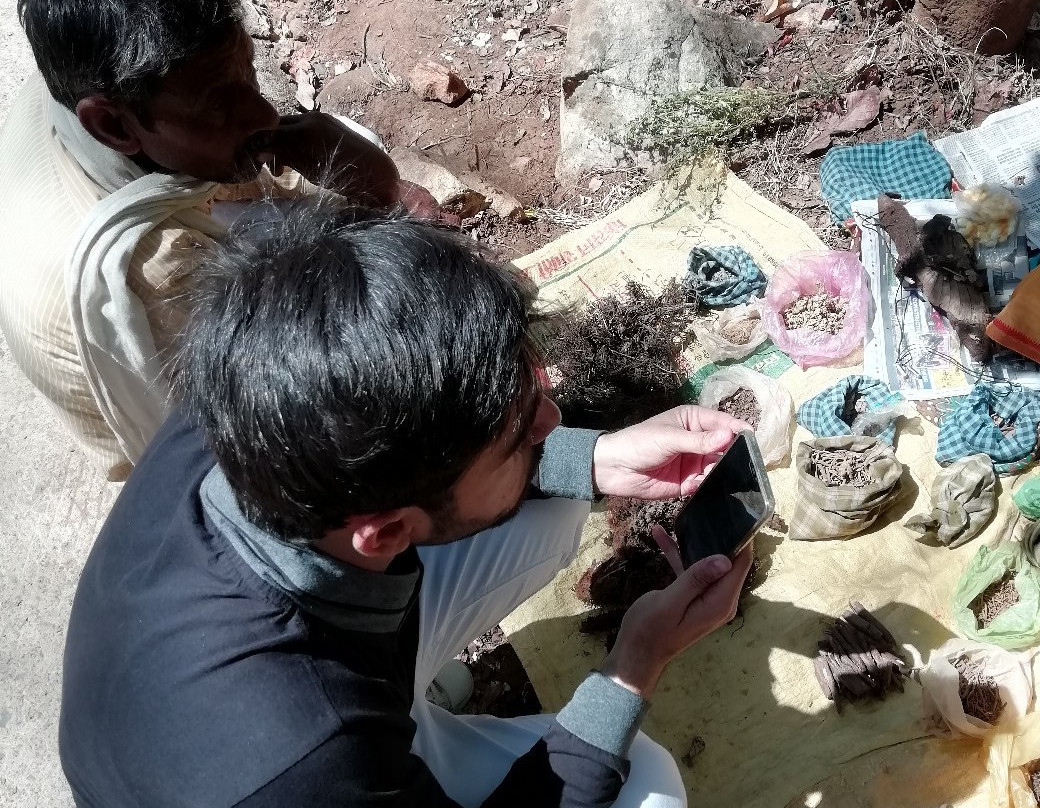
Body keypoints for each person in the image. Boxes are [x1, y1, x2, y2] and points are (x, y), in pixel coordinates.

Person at [58, 198, 753, 808]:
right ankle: (411, 739)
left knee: (556, 503)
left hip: (289, 701)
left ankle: (414, 716)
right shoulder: (303, 760)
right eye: (520, 431)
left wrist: (594, 458)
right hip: (292, 766)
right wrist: (635, 661)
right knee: (646, 786)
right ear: (385, 533)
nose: (553, 418)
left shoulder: (260, 385)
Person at [0, 0, 432, 479]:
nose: (265, 113)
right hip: (212, 430)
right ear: (112, 125)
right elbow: (273, 433)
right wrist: (381, 187)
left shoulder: (88, 65)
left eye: (249, 71)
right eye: (217, 102)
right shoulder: (158, 274)